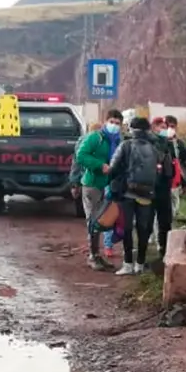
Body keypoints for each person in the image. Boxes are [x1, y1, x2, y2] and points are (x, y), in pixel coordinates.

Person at [108, 116, 171, 275]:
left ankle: (128, 264)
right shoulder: (155, 148)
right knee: (143, 229)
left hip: (128, 193)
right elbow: (163, 171)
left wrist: (114, 184)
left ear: (132, 129)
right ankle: (140, 264)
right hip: (147, 194)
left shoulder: (126, 145)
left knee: (127, 228)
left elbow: (112, 168)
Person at [151, 115, 186, 257]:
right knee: (158, 216)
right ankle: (158, 242)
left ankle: (164, 242)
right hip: (158, 186)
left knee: (170, 214)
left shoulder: (177, 144)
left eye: (171, 127)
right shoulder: (154, 144)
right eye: (165, 127)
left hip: (173, 184)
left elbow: (183, 160)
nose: (168, 129)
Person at [75, 110, 123, 270]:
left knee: (101, 221)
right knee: (93, 221)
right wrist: (99, 165)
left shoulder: (117, 140)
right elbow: (81, 155)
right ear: (105, 121)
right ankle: (93, 256)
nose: (114, 125)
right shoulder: (95, 137)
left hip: (105, 185)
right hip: (92, 183)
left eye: (117, 123)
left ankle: (97, 255)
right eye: (112, 122)